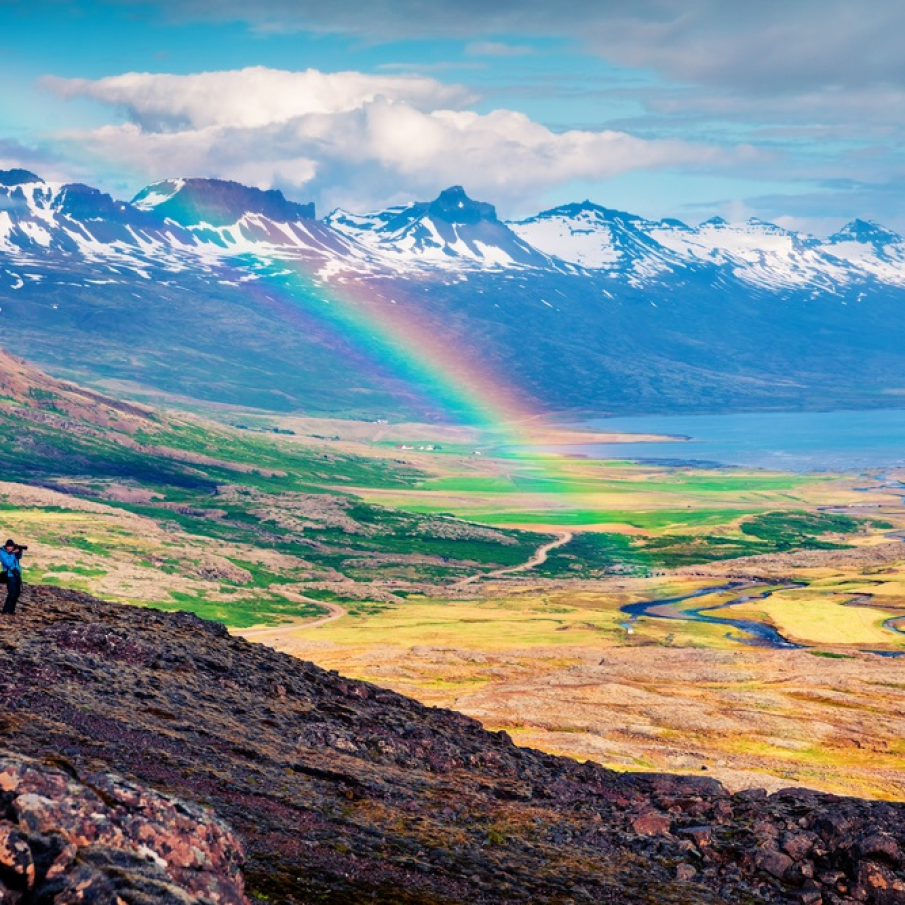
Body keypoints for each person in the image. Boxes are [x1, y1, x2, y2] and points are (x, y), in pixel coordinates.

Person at [1, 539, 24, 615]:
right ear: (6, 546)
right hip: (10, 576)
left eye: (11, 546)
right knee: (12, 593)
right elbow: (8, 563)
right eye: (9, 546)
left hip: (17, 575)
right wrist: (12, 554)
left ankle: (11, 610)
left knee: (17, 593)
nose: (10, 548)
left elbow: (19, 557)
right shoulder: (2, 552)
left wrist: (19, 551)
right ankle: (6, 610)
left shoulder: (13, 552)